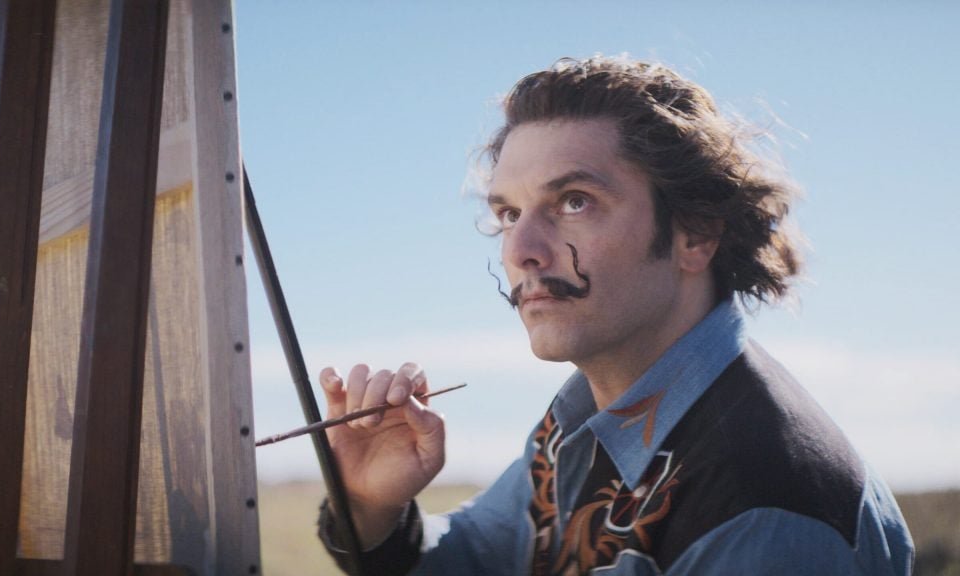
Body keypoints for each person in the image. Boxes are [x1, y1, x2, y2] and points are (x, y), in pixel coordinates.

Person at [315, 56, 914, 575]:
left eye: (574, 202)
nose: (520, 249)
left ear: (696, 233)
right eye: (507, 212)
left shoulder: (764, 506)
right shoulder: (589, 415)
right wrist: (371, 505)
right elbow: (477, 559)